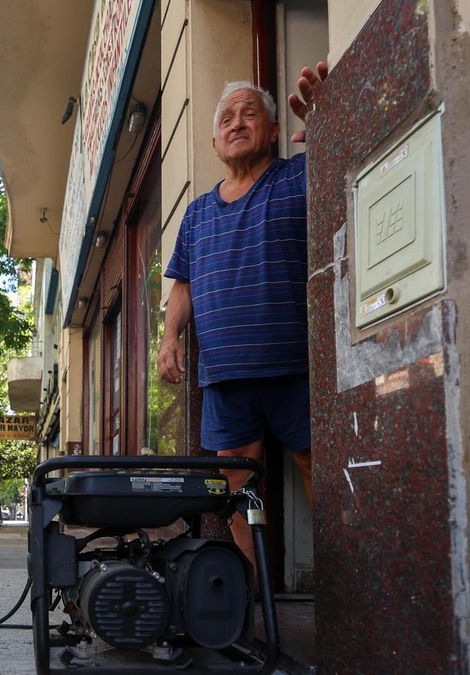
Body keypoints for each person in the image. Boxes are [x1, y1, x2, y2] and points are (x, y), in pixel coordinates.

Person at [158, 64, 329, 572]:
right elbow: (183, 285)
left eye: (249, 114)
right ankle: (249, 594)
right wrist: (169, 337)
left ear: (273, 130)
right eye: (226, 118)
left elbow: (347, 169)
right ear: (214, 141)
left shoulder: (297, 176)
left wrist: (328, 123)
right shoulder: (196, 213)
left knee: (316, 465)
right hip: (225, 375)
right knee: (235, 484)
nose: (236, 123)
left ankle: (340, 589)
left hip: (295, 365)